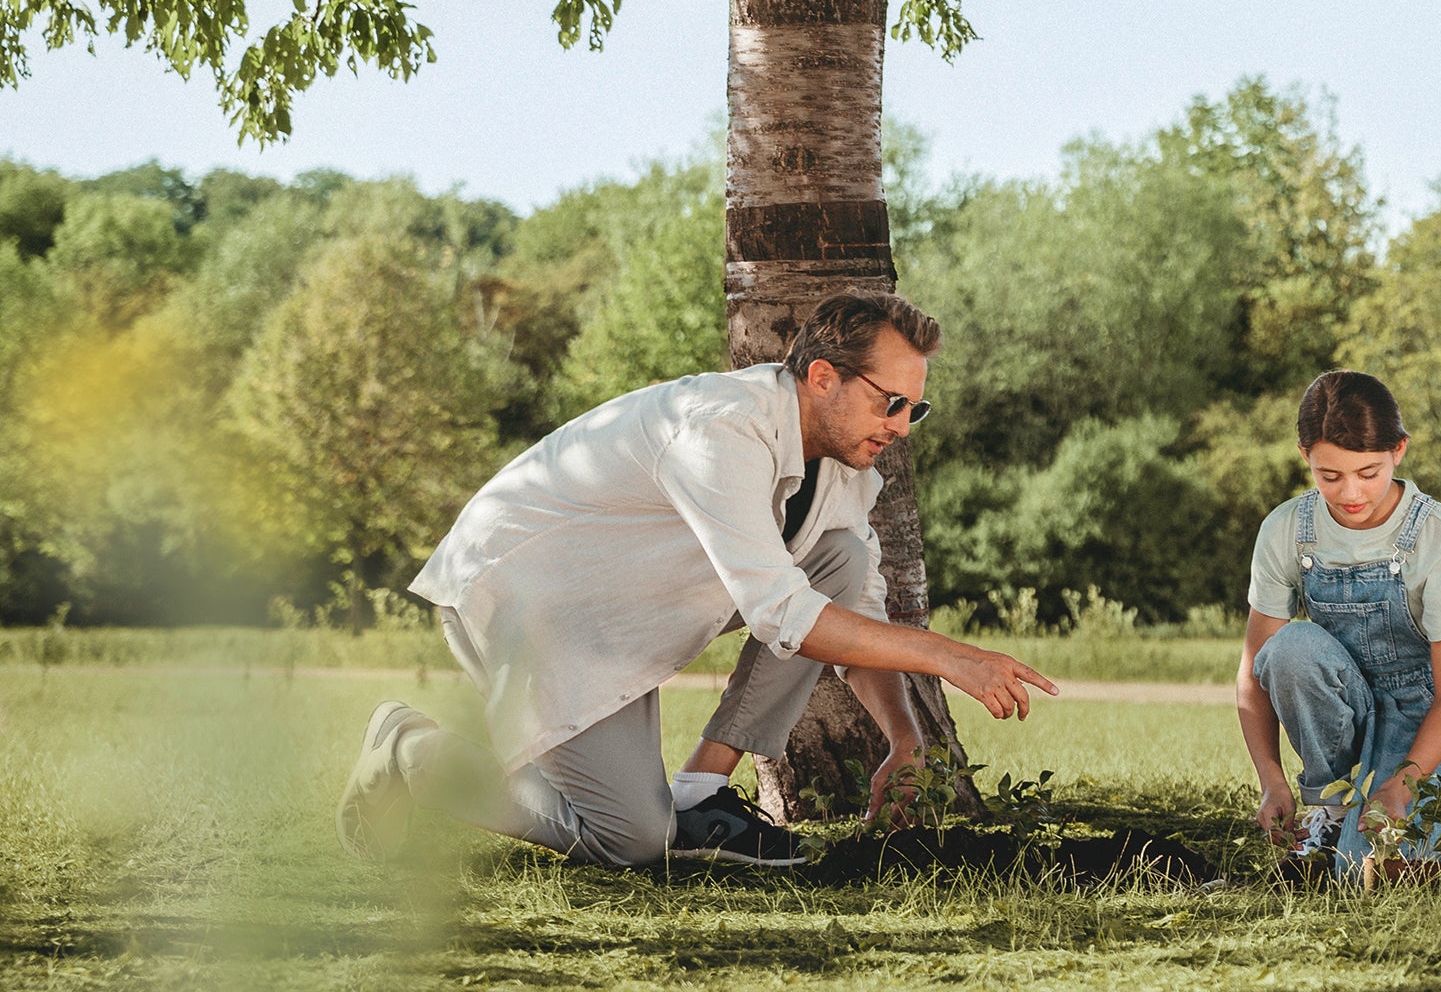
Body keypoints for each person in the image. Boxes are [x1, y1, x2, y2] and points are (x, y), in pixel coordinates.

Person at [335, 292, 1054, 869]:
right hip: (528, 600)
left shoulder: (845, 462)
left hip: (615, 617)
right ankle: (412, 750)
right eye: (888, 402)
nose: (901, 425)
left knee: (844, 558)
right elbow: (781, 613)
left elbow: (853, 602)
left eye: (914, 408)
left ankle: (703, 790)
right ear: (824, 377)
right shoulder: (722, 430)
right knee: (633, 841)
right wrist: (949, 656)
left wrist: (904, 738)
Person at [1235, 369, 1441, 878]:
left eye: (1368, 473)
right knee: (1290, 648)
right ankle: (1330, 810)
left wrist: (1403, 783)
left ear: (1399, 450)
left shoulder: (1440, 538)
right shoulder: (1288, 529)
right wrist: (1271, 778)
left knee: (1382, 873)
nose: (1350, 493)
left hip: (1421, 712)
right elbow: (1254, 669)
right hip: (1342, 702)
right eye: (1329, 476)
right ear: (1304, 455)